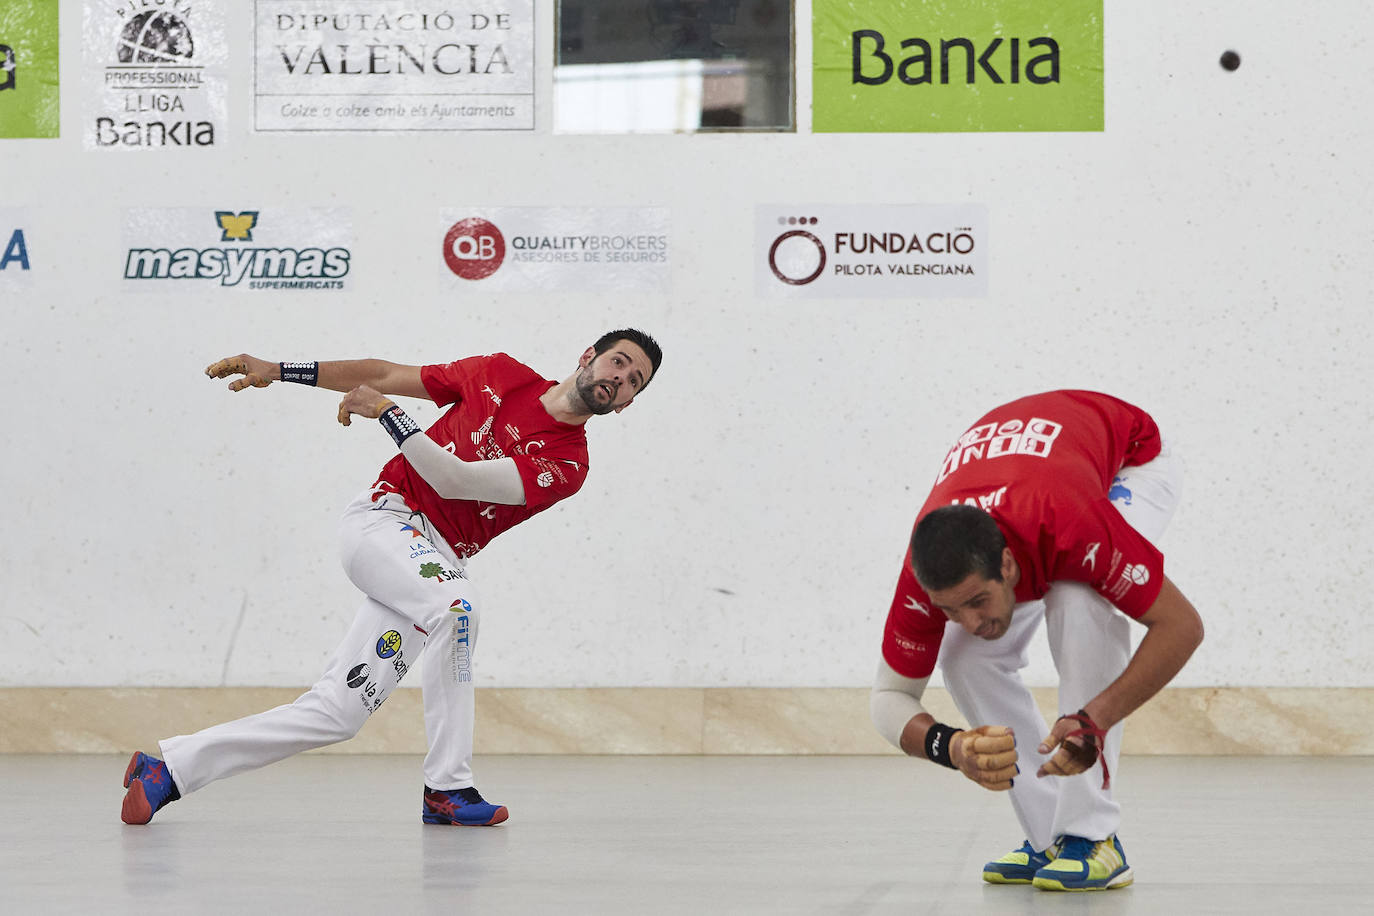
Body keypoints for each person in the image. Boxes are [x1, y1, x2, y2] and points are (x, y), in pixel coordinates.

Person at [120, 329, 662, 827]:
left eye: (633, 381)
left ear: (629, 402)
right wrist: (280, 368)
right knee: (458, 610)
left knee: (339, 712)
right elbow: (379, 375)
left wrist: (390, 417)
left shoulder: (570, 463)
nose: (620, 379)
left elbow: (456, 480)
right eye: (619, 362)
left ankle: (168, 770)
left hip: (433, 563)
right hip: (385, 522)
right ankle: (448, 790)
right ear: (588, 357)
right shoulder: (499, 373)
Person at [869, 390, 1203, 891]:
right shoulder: (925, 572)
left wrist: (1096, 720)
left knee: (1078, 596)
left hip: (1130, 463)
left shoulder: (1072, 523)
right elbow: (888, 698)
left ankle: (1095, 837)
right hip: (1036, 480)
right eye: (949, 609)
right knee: (963, 656)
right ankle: (1050, 836)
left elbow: (1183, 626)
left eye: (979, 600)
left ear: (1007, 564)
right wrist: (953, 747)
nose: (969, 618)